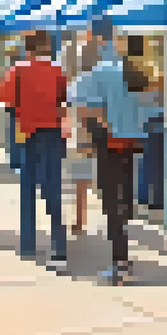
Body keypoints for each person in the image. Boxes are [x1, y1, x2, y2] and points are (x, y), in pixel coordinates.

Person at [70, 25, 160, 286]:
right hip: (134, 143)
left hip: (109, 143)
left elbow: (82, 106)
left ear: (121, 45)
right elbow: (152, 110)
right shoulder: (148, 74)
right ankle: (123, 256)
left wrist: (98, 128)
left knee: (112, 204)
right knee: (124, 199)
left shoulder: (104, 72)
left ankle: (120, 262)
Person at [3, 31, 69, 269]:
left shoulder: (17, 70)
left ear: (27, 48)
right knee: (53, 190)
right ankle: (59, 247)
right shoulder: (57, 70)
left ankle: (28, 244)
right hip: (52, 133)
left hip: (27, 133)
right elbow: (64, 100)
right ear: (46, 47)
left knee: (27, 189)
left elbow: (7, 101)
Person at [60, 29, 98, 235]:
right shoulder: (106, 76)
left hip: (82, 130)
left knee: (81, 175)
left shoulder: (75, 86)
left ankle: (80, 218)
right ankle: (82, 217)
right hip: (102, 130)